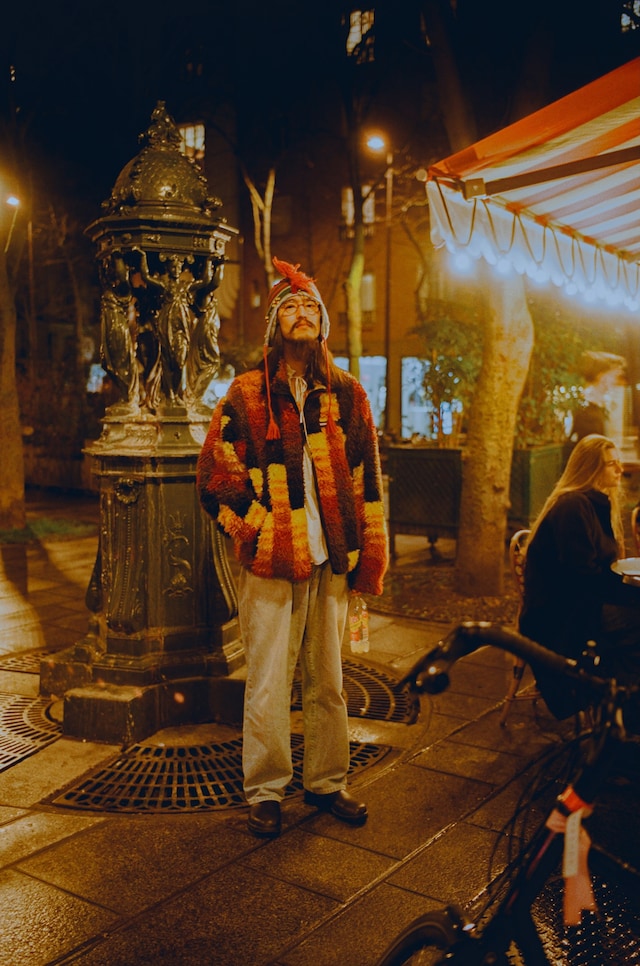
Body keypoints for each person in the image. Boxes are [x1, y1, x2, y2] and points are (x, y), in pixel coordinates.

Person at [197, 257, 388, 837]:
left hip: (331, 560)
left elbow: (367, 480)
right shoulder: (247, 392)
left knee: (328, 682)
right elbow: (215, 473)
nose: (301, 313)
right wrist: (256, 527)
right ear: (275, 324)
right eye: (290, 307)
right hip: (272, 563)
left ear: (323, 323)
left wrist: (366, 552)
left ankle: (327, 781)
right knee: (268, 681)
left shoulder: (348, 394)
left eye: (310, 307)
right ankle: (266, 789)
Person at [519, 433, 640, 720]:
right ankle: (621, 706)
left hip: (581, 602)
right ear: (591, 468)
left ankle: (623, 706)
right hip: (560, 615)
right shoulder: (573, 506)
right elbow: (583, 577)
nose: (620, 470)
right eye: (611, 464)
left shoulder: (594, 504)